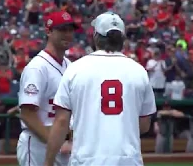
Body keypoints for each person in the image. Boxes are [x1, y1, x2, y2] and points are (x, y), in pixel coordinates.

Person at [45, 12, 156, 166]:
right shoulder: (139, 71)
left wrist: (48, 162)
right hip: (128, 160)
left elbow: (62, 122)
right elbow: (144, 125)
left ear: (96, 37)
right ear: (122, 39)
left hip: (86, 160)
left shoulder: (75, 69)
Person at [17, 11, 77, 166]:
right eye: (62, 30)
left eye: (70, 29)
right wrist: (55, 143)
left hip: (62, 143)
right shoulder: (37, 68)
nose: (68, 34)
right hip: (38, 143)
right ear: (49, 31)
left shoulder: (70, 66)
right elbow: (27, 114)